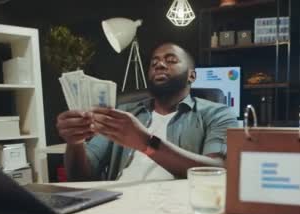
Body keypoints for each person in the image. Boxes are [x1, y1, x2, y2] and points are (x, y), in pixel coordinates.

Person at [56, 42, 238, 181]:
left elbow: (218, 170)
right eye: (154, 63)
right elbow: (82, 177)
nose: (159, 65)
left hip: (177, 207)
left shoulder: (217, 113)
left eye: (171, 60)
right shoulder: (124, 114)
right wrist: (75, 143)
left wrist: (146, 143)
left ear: (192, 75)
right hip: (118, 204)